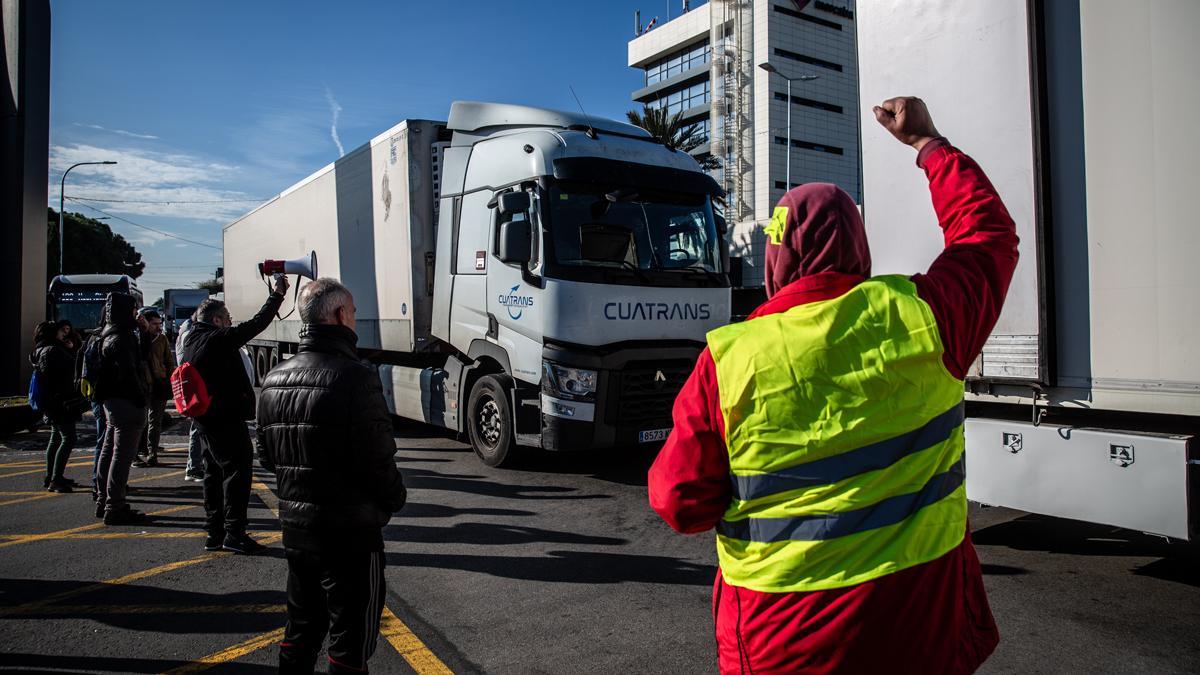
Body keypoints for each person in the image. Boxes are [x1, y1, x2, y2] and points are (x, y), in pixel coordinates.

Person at [648, 97, 1018, 674]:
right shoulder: (922, 317)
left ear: (776, 260)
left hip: (784, 641)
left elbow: (680, 502)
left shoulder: (730, 359)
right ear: (857, 247)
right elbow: (986, 236)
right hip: (923, 626)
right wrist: (928, 144)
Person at [256, 277, 406, 674]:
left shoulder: (272, 379)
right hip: (352, 533)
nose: (355, 320)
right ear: (340, 315)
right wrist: (394, 499)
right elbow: (378, 458)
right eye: (354, 313)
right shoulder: (356, 377)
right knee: (351, 639)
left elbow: (267, 456)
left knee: (301, 628)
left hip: (297, 531)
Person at [179, 277, 287, 554]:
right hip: (225, 418)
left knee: (214, 475)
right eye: (227, 317)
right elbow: (256, 324)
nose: (230, 321)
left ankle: (214, 532)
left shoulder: (192, 338)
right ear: (216, 320)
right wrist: (277, 296)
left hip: (205, 418)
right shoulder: (217, 339)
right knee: (238, 474)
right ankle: (235, 533)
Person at [94, 292, 152, 525]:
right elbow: (131, 371)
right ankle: (115, 505)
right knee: (121, 455)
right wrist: (140, 399)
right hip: (127, 402)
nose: (136, 313)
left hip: (111, 402)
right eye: (133, 309)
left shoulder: (106, 334)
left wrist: (145, 333)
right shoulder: (123, 338)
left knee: (109, 450)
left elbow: (140, 357)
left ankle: (103, 499)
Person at [29, 321, 82, 492]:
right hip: (60, 401)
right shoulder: (53, 350)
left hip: (50, 401)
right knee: (69, 437)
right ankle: (56, 479)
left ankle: (51, 476)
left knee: (56, 437)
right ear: (53, 334)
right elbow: (68, 369)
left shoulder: (39, 350)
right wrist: (70, 349)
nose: (63, 334)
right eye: (60, 332)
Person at [134, 309, 175, 467]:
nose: (158, 327)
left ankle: (152, 452)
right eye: (154, 324)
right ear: (145, 323)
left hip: (160, 384)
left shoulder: (162, 339)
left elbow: (169, 361)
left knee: (155, 421)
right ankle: (139, 450)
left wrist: (170, 378)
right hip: (142, 385)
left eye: (160, 324)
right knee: (140, 421)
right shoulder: (137, 338)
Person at [176, 315, 204, 482]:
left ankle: (194, 466)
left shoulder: (187, 333)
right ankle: (194, 467)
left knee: (197, 426)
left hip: (191, 384)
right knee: (197, 427)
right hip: (193, 386)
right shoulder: (189, 335)